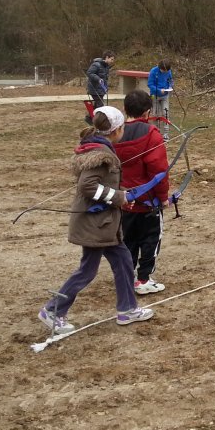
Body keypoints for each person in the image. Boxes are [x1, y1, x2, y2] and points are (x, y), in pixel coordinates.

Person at [38, 106, 154, 335]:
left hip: (104, 223)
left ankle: (127, 309)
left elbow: (103, 184)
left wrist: (121, 196)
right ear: (116, 130)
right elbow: (88, 186)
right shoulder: (102, 155)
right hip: (95, 224)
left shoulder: (98, 148)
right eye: (122, 128)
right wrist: (118, 197)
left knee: (123, 262)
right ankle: (53, 310)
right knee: (87, 270)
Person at [117, 90, 170, 295]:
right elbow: (159, 170)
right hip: (148, 203)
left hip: (124, 200)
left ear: (125, 109)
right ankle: (143, 279)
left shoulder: (115, 133)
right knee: (150, 239)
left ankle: (128, 277)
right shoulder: (151, 134)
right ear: (147, 112)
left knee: (128, 239)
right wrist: (163, 197)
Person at [147, 59, 174, 138]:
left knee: (166, 113)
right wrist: (158, 90)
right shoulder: (153, 71)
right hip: (155, 95)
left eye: (166, 71)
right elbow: (150, 84)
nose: (165, 72)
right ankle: (156, 132)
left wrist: (170, 86)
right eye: (164, 70)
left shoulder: (168, 71)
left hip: (165, 96)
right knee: (155, 114)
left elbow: (170, 80)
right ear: (160, 68)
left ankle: (166, 134)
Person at [86, 50, 116, 117]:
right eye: (112, 59)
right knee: (101, 106)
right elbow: (89, 73)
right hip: (94, 89)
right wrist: (98, 79)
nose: (112, 61)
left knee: (97, 106)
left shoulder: (106, 67)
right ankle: (99, 120)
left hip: (101, 90)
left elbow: (105, 79)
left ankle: (90, 118)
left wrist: (105, 88)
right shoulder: (96, 64)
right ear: (107, 57)